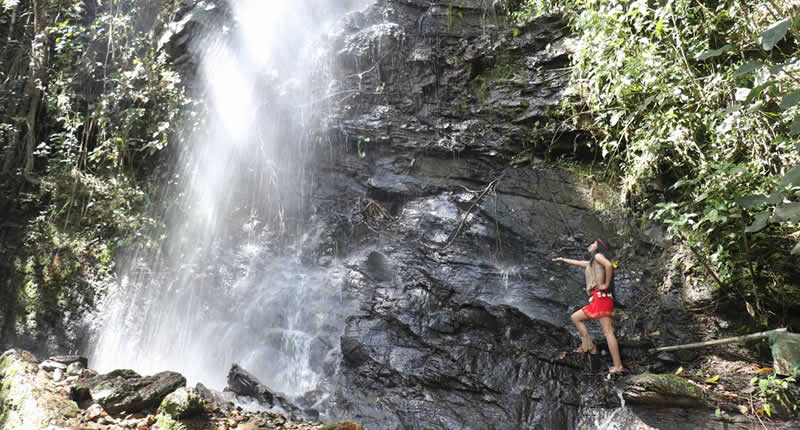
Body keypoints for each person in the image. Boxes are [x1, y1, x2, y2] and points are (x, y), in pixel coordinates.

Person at [552, 238, 625, 374]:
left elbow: (609, 265)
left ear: (598, 247)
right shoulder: (593, 262)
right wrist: (563, 259)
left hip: (601, 299)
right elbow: (579, 263)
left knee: (608, 332)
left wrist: (605, 285)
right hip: (599, 300)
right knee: (576, 318)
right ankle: (589, 346)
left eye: (593, 243)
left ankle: (618, 365)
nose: (590, 245)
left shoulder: (598, 256)